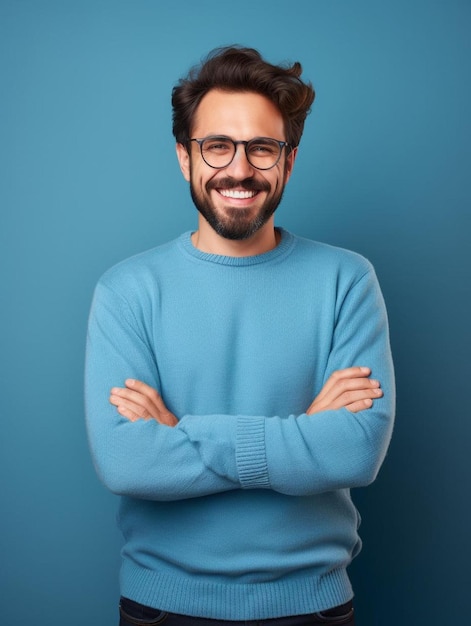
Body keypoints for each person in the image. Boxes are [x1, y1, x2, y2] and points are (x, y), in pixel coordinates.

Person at [85, 46, 395, 626]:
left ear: (289, 161)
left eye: (262, 148)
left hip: (314, 607)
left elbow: (354, 451)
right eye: (217, 146)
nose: (240, 168)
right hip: (161, 609)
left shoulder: (346, 280)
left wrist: (180, 434)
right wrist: (303, 434)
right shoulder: (126, 291)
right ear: (185, 157)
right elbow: (127, 462)